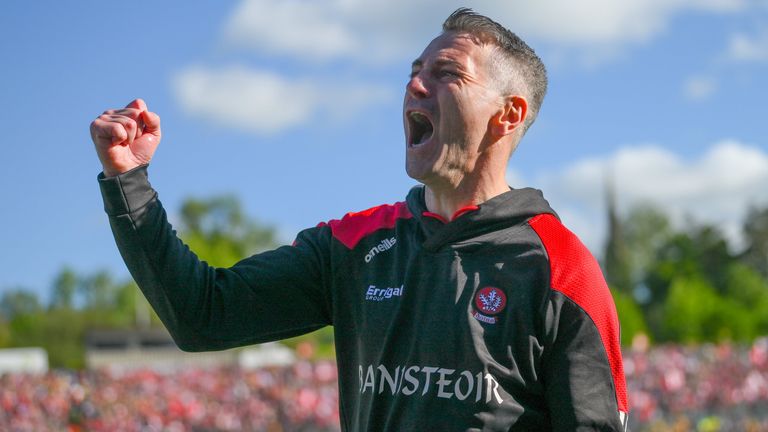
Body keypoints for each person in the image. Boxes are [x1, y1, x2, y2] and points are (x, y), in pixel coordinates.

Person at [91, 8, 629, 431]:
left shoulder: (562, 268)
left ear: (507, 115)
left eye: (447, 74)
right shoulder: (354, 244)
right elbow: (202, 315)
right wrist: (128, 183)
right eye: (414, 73)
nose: (416, 87)